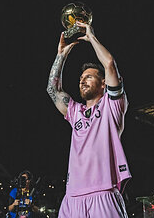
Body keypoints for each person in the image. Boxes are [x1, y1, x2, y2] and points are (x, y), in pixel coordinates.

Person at [46, 21, 131, 218]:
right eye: (81, 78)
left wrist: (91, 37)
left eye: (89, 77)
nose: (82, 80)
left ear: (103, 84)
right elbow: (53, 90)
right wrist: (61, 55)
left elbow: (109, 64)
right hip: (72, 197)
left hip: (103, 194)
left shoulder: (112, 106)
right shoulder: (75, 111)